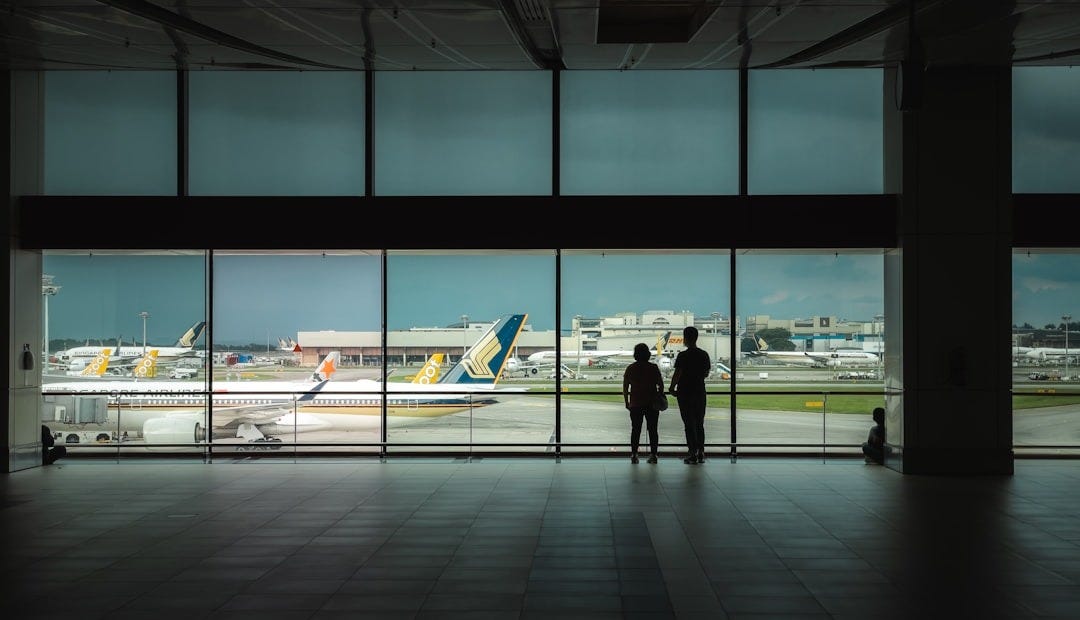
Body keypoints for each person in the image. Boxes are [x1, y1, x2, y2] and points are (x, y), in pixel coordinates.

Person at [668, 326, 711, 464]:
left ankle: (692, 452)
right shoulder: (704, 354)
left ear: (685, 338)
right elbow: (706, 373)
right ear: (697, 337)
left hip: (685, 393)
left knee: (689, 424)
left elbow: (677, 373)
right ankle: (701, 452)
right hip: (699, 391)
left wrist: (672, 387)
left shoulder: (683, 356)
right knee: (700, 424)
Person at [623, 342, 665, 464]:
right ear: (647, 354)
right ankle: (654, 455)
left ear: (635, 354)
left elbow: (625, 388)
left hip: (636, 403)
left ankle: (634, 455)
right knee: (653, 430)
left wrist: (627, 402)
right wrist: (658, 396)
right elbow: (661, 385)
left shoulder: (631, 368)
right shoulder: (653, 368)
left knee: (635, 430)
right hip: (652, 404)